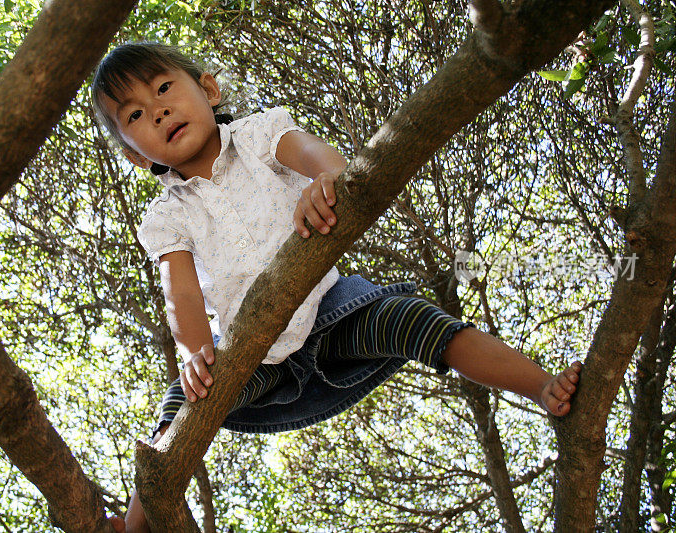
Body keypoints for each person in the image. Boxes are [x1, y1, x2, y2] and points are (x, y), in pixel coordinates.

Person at [91, 42, 582, 533]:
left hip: (331, 312)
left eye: (163, 89)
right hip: (250, 356)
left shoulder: (260, 133)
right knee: (181, 402)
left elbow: (322, 158)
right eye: (135, 114)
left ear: (209, 89)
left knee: (413, 319)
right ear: (135, 155)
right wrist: (197, 352)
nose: (159, 112)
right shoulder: (166, 215)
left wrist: (324, 178)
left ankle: (539, 385)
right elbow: (182, 293)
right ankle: (134, 527)